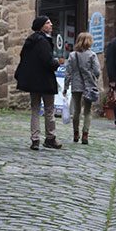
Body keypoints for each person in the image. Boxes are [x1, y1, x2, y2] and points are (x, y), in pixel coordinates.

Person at [15, 14, 62, 150]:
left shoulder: (30, 41)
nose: (51, 25)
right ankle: (50, 137)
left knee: (35, 110)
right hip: (45, 81)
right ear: (42, 26)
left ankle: (35, 139)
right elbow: (48, 62)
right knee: (49, 110)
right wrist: (57, 63)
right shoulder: (43, 42)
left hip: (33, 81)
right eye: (48, 23)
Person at [64, 32, 101, 145]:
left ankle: (76, 133)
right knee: (87, 111)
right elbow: (97, 71)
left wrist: (65, 87)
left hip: (76, 85)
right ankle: (85, 134)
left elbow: (68, 73)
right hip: (89, 85)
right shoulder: (92, 55)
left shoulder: (72, 55)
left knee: (76, 110)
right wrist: (94, 78)